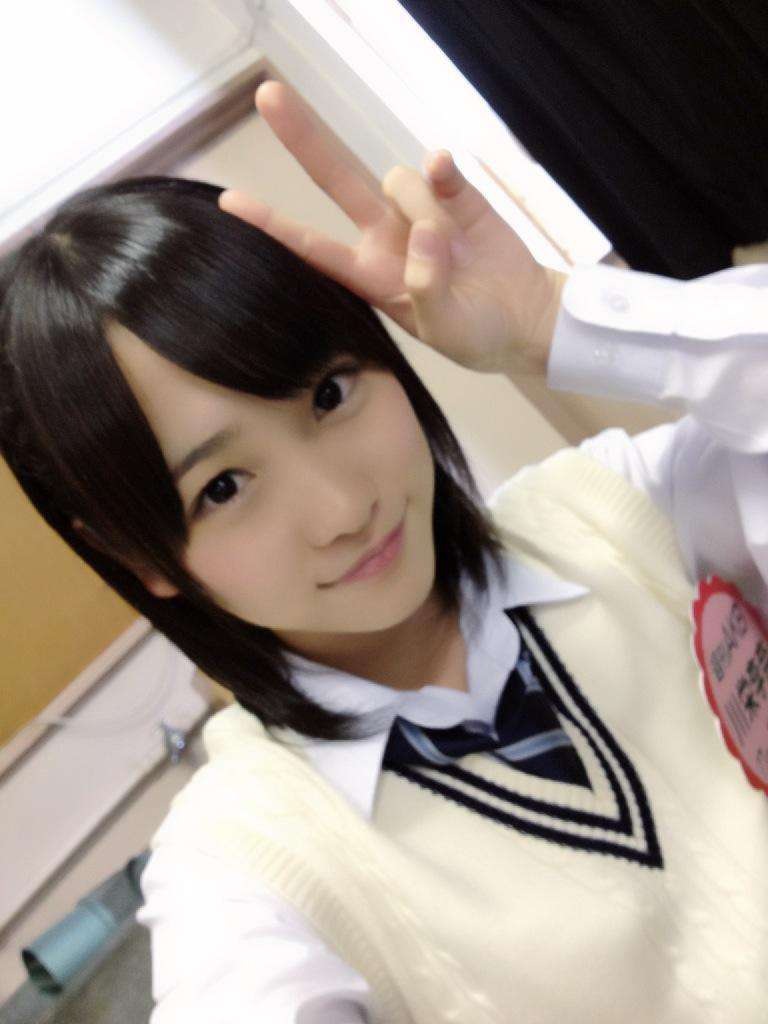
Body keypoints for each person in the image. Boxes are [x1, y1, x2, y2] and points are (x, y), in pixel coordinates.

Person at [1, 79, 766, 1023]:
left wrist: (553, 319)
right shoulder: (247, 865)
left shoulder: (621, 515)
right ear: (139, 558)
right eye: (223, 487)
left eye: (328, 395)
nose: (342, 510)